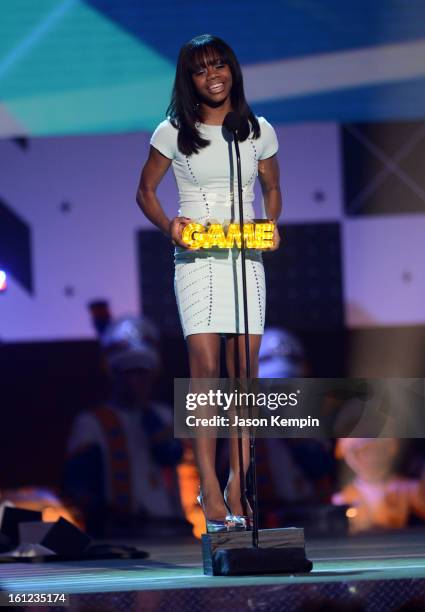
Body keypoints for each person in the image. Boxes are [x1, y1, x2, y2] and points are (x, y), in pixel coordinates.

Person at [136, 34, 282, 532]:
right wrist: (170, 226)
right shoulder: (173, 131)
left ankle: (238, 482)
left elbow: (272, 186)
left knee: (245, 377)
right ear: (189, 79)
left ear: (232, 70)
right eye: (201, 69)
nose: (213, 75)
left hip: (244, 259)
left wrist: (273, 222)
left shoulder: (257, 130)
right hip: (198, 262)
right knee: (206, 373)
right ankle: (206, 484)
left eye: (220, 65)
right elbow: (145, 192)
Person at [64, 316, 187, 537]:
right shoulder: (92, 422)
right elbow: (78, 484)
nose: (135, 381)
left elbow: (171, 454)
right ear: (115, 374)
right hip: (120, 530)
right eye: (128, 372)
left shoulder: (164, 415)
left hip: (171, 526)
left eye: (142, 372)